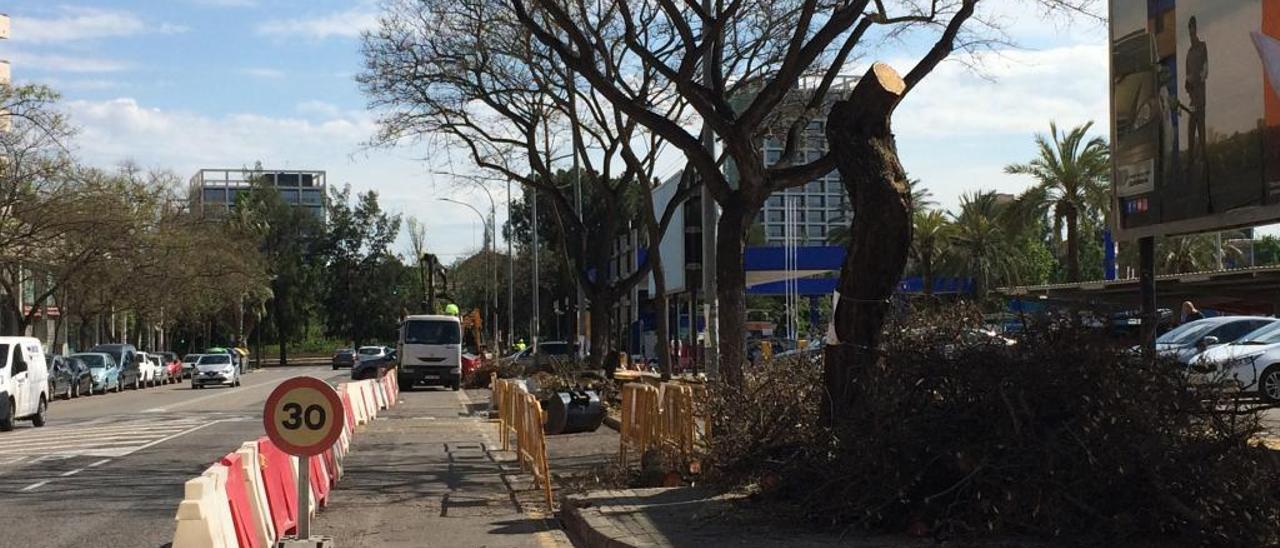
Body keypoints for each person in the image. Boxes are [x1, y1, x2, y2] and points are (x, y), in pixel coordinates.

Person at [1185, 15, 1209, 200]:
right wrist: (1188, 84)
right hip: (1192, 98)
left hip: (1200, 95)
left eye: (1193, 28)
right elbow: (1187, 75)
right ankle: (1190, 161)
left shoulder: (1202, 47)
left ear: (1196, 28)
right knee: (1190, 126)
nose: (1191, 31)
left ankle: (1204, 158)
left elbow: (1205, 70)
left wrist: (1196, 80)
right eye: (1189, 28)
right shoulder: (1188, 52)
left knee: (1200, 126)